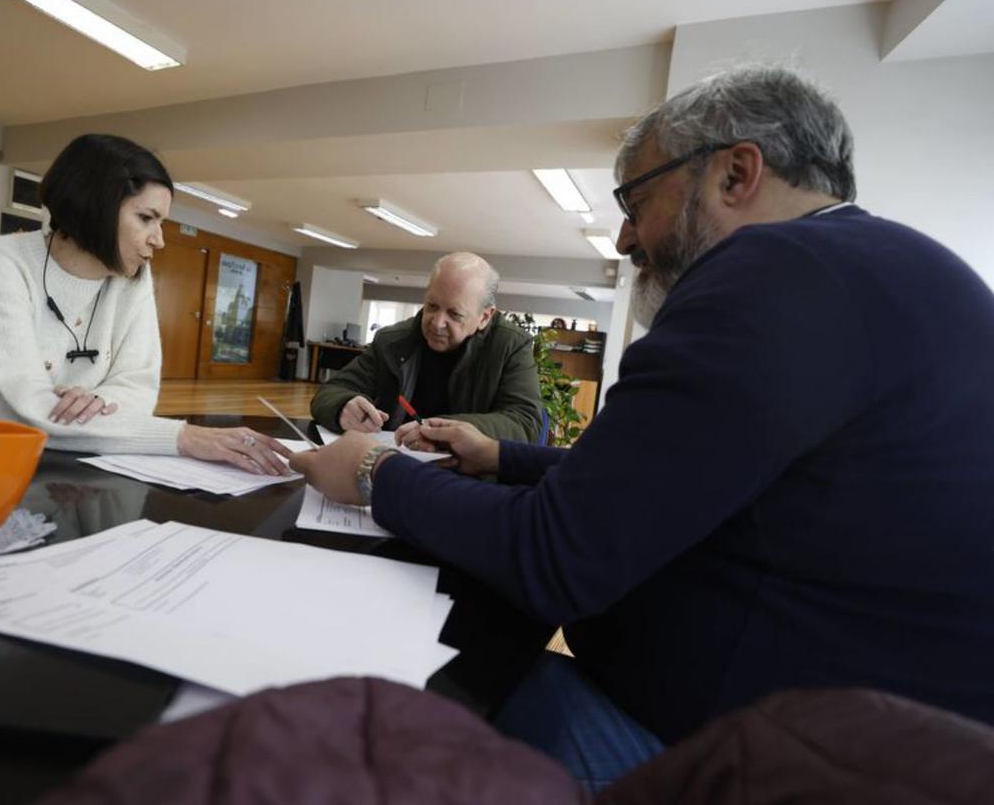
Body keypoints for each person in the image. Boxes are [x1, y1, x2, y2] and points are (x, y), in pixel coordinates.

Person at [292, 65, 994, 790]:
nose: (627, 237)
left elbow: (554, 558)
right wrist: (504, 455)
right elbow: (670, 476)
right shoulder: (895, 269)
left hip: (748, 760)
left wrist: (378, 474)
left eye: (637, 199)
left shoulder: (772, 273)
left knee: (378, 702)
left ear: (735, 174)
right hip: (876, 745)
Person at [0, 134, 290, 475]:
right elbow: (21, 410)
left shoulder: (132, 277)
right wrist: (184, 437)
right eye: (146, 218)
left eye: (162, 223)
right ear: (95, 206)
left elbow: (137, 386)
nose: (159, 240)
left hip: (62, 455)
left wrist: (102, 399)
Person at [309, 252, 543, 445]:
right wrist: (343, 406)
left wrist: (446, 431)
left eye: (455, 314)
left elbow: (525, 423)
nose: (437, 322)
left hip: (468, 480)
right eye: (432, 306)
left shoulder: (510, 346)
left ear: (484, 317)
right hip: (393, 467)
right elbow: (332, 391)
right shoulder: (391, 341)